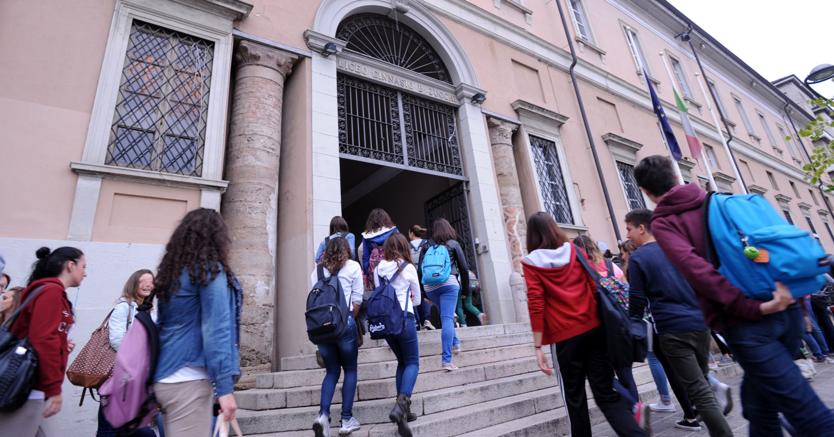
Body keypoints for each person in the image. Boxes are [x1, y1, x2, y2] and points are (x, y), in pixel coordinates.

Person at [634, 154, 834, 434]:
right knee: (760, 403)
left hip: (747, 321)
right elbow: (767, 249)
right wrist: (797, 302)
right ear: (677, 177)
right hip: (786, 307)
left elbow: (698, 272)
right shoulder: (718, 200)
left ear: (645, 191)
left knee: (808, 414)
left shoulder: (665, 222)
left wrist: (753, 308)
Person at [522, 212, 647, 437]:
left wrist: (538, 345)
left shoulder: (531, 263)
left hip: (565, 337)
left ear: (532, 235)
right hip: (594, 329)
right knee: (606, 393)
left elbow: (536, 303)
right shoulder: (575, 251)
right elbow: (592, 285)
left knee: (575, 398)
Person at [625, 208, 733, 436]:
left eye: (629, 229)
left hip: (672, 329)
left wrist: (632, 323)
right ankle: (708, 411)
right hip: (699, 322)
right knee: (702, 383)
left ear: (641, 228)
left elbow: (636, 298)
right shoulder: (676, 247)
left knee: (699, 390)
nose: (627, 235)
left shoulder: (638, 258)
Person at [153, 208, 241, 436]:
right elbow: (216, 330)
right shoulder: (209, 271)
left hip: (167, 375)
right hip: (188, 379)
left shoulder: (173, 273)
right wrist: (224, 388)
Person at [0, 247, 86, 435]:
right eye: (83, 266)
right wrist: (53, 389)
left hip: (38, 388)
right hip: (29, 387)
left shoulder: (51, 292)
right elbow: (43, 339)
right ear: (70, 266)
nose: (85, 273)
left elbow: (44, 335)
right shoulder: (50, 292)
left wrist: (62, 346)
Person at [573, 235, 640, 411]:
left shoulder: (583, 270)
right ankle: (637, 410)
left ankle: (633, 405)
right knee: (626, 372)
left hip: (601, 328)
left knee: (603, 373)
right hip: (621, 324)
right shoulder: (612, 266)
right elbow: (627, 292)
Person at [95, 269, 159, 437]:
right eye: (142, 281)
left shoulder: (151, 311)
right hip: (118, 379)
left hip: (136, 380)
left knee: (139, 430)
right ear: (133, 284)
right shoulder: (124, 307)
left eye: (151, 282)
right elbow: (117, 340)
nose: (147, 285)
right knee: (108, 430)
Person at [311, 237, 363, 437]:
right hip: (344, 325)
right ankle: (346, 419)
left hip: (322, 329)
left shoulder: (316, 271)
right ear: (346, 250)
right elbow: (357, 300)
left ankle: (323, 416)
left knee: (331, 371)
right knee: (350, 369)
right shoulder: (353, 267)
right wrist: (346, 321)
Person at [374, 233, 421, 437]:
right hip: (404, 318)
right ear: (404, 247)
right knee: (412, 362)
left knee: (402, 362)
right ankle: (402, 405)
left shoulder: (378, 268)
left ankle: (404, 411)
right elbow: (418, 300)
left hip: (386, 323)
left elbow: (379, 291)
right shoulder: (408, 268)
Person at [420, 218, 469, 371]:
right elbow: (464, 269)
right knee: (447, 318)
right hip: (448, 284)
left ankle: (455, 342)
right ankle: (447, 360)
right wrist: (466, 291)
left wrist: (424, 293)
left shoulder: (426, 245)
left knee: (445, 314)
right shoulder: (453, 244)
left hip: (430, 287)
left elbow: (420, 269)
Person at [361, 209, 399, 290]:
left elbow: (365, 257)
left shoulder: (367, 236)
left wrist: (367, 273)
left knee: (379, 292)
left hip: (376, 271)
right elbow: (400, 249)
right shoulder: (393, 231)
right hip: (393, 267)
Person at [407, 225, 434, 331]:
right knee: (426, 295)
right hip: (425, 273)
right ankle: (427, 320)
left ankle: (417, 321)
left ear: (411, 233)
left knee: (414, 295)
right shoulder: (427, 243)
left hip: (412, 273)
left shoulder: (407, 246)